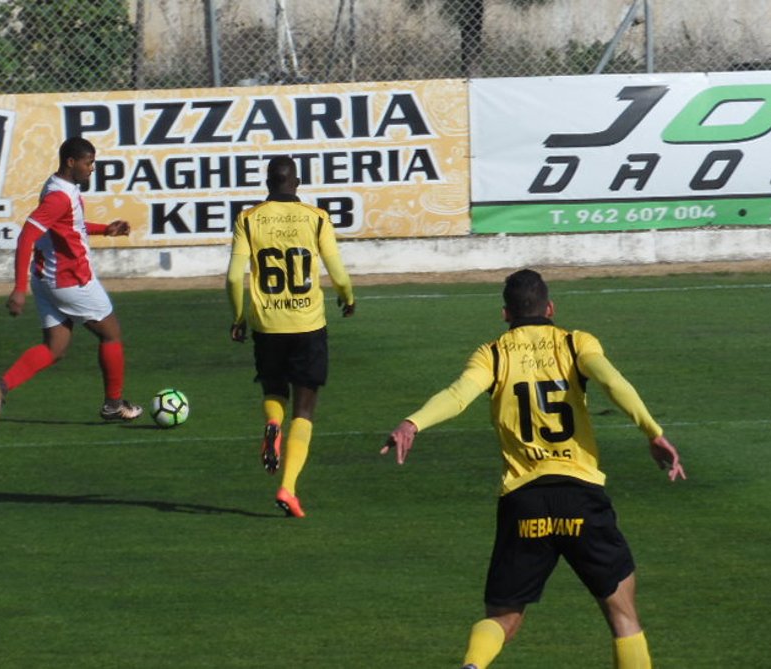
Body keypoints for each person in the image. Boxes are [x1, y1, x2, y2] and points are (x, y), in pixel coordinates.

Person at [380, 269, 686, 669]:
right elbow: (613, 382)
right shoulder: (576, 343)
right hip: (581, 497)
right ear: (551, 308)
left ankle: (472, 666)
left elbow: (458, 395)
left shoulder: (492, 354)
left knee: (502, 619)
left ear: (506, 314)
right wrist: (653, 432)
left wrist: (412, 423)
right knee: (623, 617)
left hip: (524, 502)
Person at [0, 136, 143, 427]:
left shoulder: (58, 187)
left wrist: (104, 229)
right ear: (71, 162)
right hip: (70, 280)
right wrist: (18, 289)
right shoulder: (59, 197)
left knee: (55, 347)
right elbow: (26, 237)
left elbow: (69, 226)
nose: (92, 168)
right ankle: (113, 404)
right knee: (111, 334)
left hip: (46, 278)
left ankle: (0, 387)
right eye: (88, 162)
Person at [226, 155, 355, 518]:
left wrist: (238, 318)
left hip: (267, 325)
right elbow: (338, 272)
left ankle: (272, 424)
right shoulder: (317, 218)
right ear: (296, 183)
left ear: (268, 183)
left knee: (273, 390)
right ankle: (288, 487)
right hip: (307, 325)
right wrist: (348, 298)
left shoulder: (248, 219)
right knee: (305, 409)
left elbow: (234, 277)